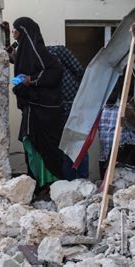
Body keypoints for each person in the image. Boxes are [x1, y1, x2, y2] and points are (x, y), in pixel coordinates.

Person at [9, 17, 65, 194]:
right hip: (32, 109)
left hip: (43, 111)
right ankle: (37, 182)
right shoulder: (25, 51)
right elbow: (15, 58)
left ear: (24, 31)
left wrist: (31, 80)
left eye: (15, 29)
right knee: (30, 143)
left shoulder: (40, 52)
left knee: (41, 146)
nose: (13, 32)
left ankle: (48, 184)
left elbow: (55, 71)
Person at [47, 45, 89, 180]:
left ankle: (81, 182)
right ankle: (72, 183)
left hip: (73, 106)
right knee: (66, 149)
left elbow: (79, 71)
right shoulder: (37, 60)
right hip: (58, 110)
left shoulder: (57, 52)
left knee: (77, 145)